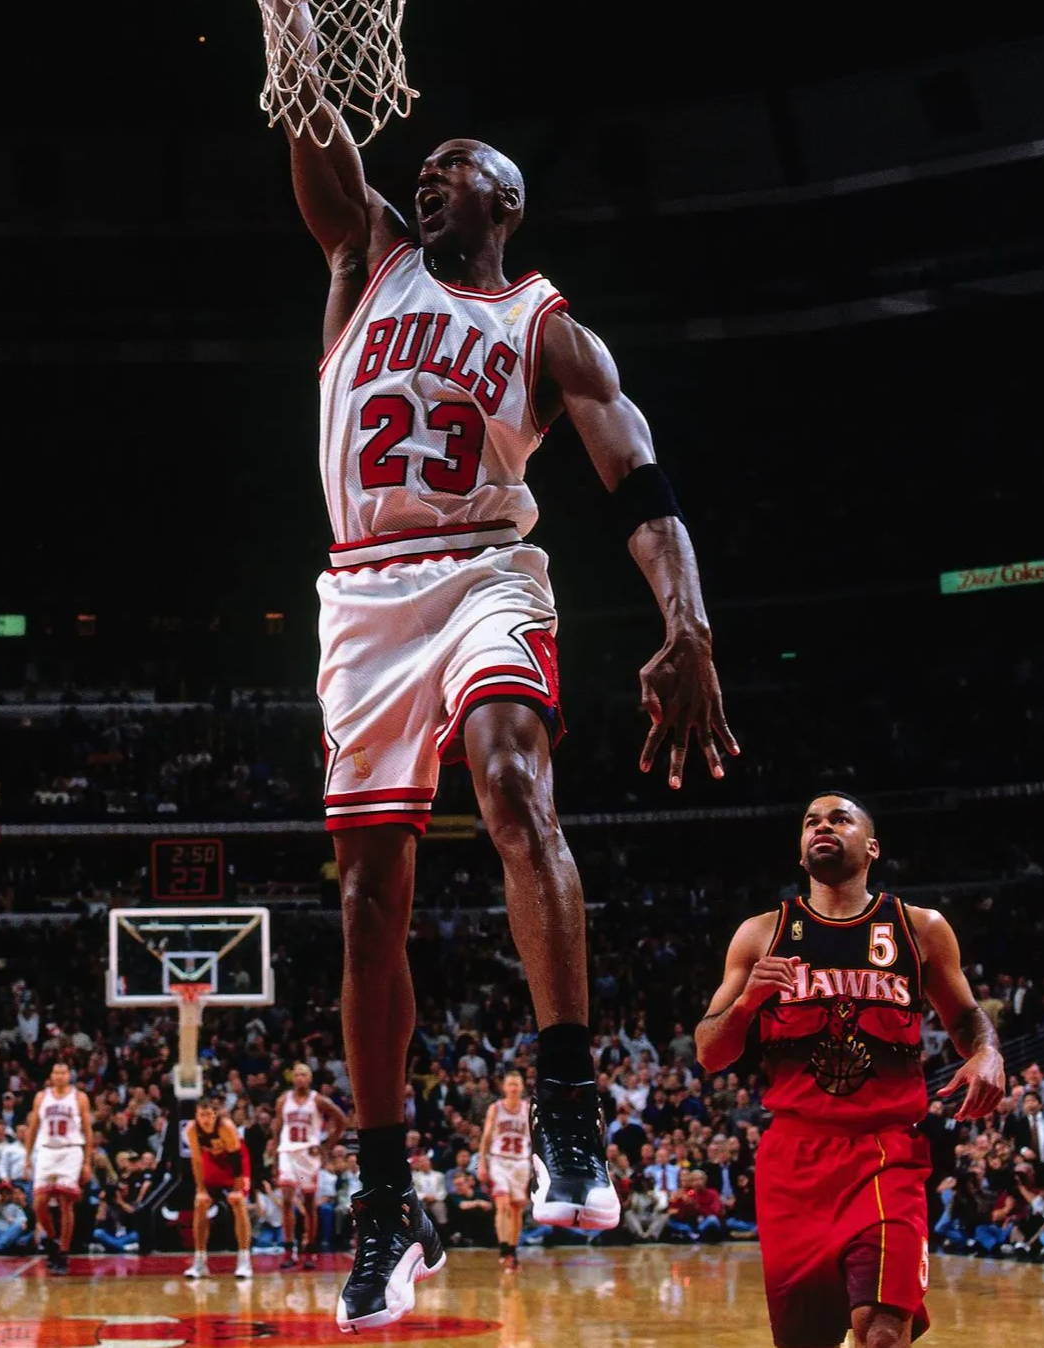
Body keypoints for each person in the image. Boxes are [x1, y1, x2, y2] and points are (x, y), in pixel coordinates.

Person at [259, 1, 736, 1331]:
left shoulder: (548, 328)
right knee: (367, 901)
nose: (427, 175)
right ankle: (383, 1206)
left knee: (517, 787)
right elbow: (317, 144)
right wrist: (294, 28)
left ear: (507, 200)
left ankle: (570, 1106)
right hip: (361, 596)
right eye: (421, 168)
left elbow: (637, 482)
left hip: (484, 569)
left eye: (454, 165)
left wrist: (684, 621)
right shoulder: (366, 256)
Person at [695, 793, 1005, 1348]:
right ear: (800, 851)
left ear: (872, 846)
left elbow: (967, 1020)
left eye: (840, 818)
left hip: (884, 1151)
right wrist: (747, 1004)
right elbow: (709, 1052)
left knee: (883, 1332)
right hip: (793, 1161)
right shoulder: (761, 933)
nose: (822, 826)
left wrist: (988, 1052)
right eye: (811, 820)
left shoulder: (921, 928)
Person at [274, 1064, 347, 1270]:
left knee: (308, 1203)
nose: (300, 1077)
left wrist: (327, 1145)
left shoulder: (318, 1100)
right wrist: (273, 1146)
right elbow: (278, 1124)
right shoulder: (283, 1100)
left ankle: (310, 1250)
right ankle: (289, 1250)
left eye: (304, 1074)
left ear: (310, 1078)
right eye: (296, 1074)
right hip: (287, 1152)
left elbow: (340, 1119)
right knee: (287, 1200)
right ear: (292, 1078)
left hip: (308, 1154)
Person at [25, 1062, 93, 1275]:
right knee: (39, 1203)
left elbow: (88, 1130)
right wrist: (27, 1157)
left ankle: (63, 1252)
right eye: (56, 1072)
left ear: (69, 1075)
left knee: (66, 1203)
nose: (60, 1075)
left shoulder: (79, 1097)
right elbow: (33, 1127)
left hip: (71, 1150)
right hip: (46, 1150)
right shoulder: (41, 1096)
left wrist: (87, 1161)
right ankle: (53, 1240)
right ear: (51, 1075)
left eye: (63, 1072)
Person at [184, 1098, 253, 1280]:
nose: (205, 1119)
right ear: (196, 1116)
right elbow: (197, 1162)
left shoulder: (226, 1127)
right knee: (200, 1203)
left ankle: (244, 1260)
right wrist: (201, 1189)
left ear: (215, 1115)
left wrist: (237, 1189)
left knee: (238, 1203)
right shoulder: (191, 1130)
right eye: (201, 1115)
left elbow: (237, 1159)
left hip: (235, 1164)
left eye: (208, 1114)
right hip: (213, 1163)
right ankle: (199, 1261)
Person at [478, 1070, 532, 1272]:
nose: (513, 1087)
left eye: (517, 1084)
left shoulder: (528, 1109)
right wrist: (482, 1162)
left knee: (517, 1209)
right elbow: (486, 1137)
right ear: (504, 1087)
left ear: (522, 1087)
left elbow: (535, 1140)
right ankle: (504, 1250)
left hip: (520, 1163)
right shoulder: (495, 1108)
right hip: (499, 1160)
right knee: (502, 1205)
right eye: (510, 1084)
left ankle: (513, 1249)